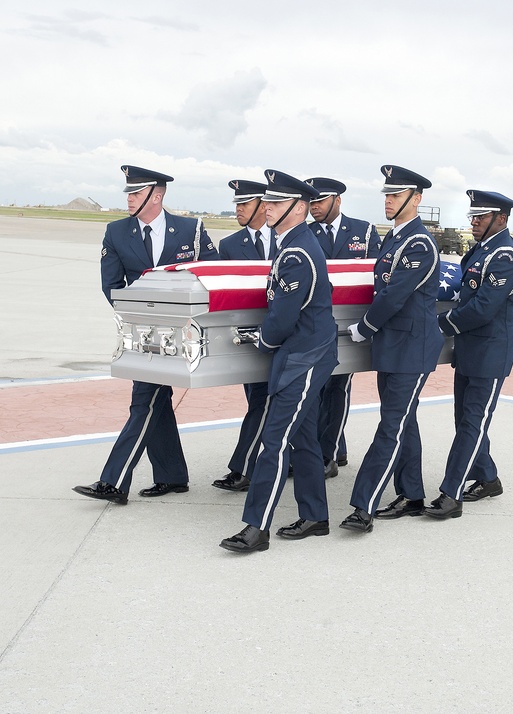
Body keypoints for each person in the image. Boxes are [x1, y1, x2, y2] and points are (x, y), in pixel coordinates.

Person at [73, 165, 217, 505]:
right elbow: (111, 285)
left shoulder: (191, 229)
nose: (129, 199)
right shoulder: (116, 232)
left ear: (157, 195)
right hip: (145, 335)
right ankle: (166, 476)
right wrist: (139, 317)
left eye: (135, 193)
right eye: (128, 193)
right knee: (151, 399)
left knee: (148, 401)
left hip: (184, 332)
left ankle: (117, 481)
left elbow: (211, 273)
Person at [220, 170, 339, 553]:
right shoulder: (293, 244)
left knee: (274, 440)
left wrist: (263, 340)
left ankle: (256, 528)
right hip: (304, 353)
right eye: (266, 202)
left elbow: (284, 317)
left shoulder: (296, 252)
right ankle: (315, 516)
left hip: (304, 358)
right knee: (302, 437)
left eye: (275, 202)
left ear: (299, 207)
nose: (266, 208)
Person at [338, 165, 442, 533]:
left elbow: (395, 294)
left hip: (412, 349)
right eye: (386, 195)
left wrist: (364, 328)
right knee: (403, 420)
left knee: (391, 427)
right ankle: (412, 494)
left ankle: (363, 506)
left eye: (395, 196)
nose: (388, 201)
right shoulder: (394, 238)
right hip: (393, 347)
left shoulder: (419, 243)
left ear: (416, 199)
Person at [422, 190, 513, 519]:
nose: (474, 222)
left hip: (492, 348)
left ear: (502, 219)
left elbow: (483, 308)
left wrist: (439, 324)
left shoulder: (505, 257)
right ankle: (488, 478)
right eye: (473, 217)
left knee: (472, 422)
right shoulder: (481, 252)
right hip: (471, 346)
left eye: (481, 217)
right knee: (465, 420)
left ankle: (451, 493)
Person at [306, 176, 382, 478]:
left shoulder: (363, 231)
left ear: (337, 201)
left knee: (338, 387)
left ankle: (328, 453)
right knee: (316, 388)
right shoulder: (306, 233)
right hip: (315, 323)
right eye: (310, 203)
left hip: (349, 324)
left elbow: (373, 275)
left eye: (320, 202)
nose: (314, 208)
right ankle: (329, 448)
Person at [213, 179, 274, 492]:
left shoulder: (286, 238)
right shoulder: (230, 245)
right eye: (237, 203)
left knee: (263, 404)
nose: (238, 209)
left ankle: (244, 467)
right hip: (250, 336)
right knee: (258, 401)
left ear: (263, 206)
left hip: (284, 332)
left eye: (244, 204)